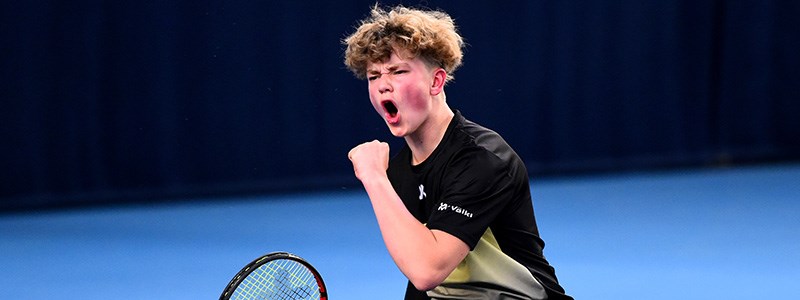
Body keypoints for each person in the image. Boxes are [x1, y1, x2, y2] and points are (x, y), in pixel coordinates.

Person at [343, 5, 573, 300]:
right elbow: (425, 281)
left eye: (398, 71)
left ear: (436, 81)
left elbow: (427, 270)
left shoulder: (483, 159)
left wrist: (374, 178)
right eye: (374, 76)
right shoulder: (400, 171)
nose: (383, 86)